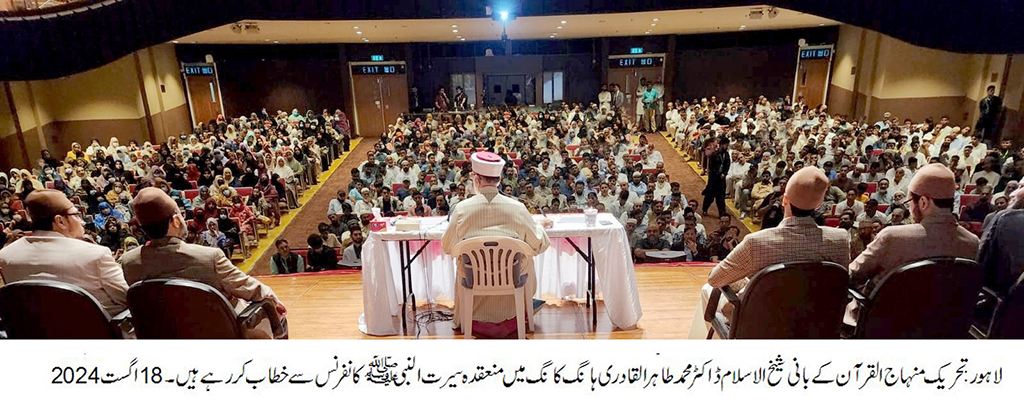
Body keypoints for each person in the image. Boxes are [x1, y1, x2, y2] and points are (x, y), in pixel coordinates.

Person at [689, 167, 851, 339]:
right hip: (816, 326)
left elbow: (716, 279)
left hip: (761, 327)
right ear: (819, 204)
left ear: (784, 200)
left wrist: (747, 282)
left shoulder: (756, 242)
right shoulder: (840, 239)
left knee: (708, 289)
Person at [119, 188, 286, 338]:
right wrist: (275, 302)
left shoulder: (129, 262)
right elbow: (253, 290)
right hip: (220, 337)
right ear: (176, 220)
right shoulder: (208, 257)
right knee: (277, 317)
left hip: (165, 338)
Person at [847, 164, 980, 323]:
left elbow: (853, 275)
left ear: (923, 202)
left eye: (909, 201)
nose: (909, 208)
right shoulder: (972, 242)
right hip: (939, 328)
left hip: (885, 325)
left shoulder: (893, 237)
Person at [440, 151, 552, 338]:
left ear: (476, 179)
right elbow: (537, 245)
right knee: (527, 259)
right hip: (511, 282)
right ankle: (522, 310)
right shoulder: (517, 208)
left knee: (463, 263)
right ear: (499, 179)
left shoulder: (461, 209)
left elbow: (447, 246)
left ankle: (465, 318)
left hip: (473, 280)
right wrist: (539, 226)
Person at [0, 190, 130, 316]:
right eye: (76, 214)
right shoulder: (96, 255)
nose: (82, 221)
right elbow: (128, 298)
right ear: (60, 221)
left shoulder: (5, 255)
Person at [702, 137, 730, 217]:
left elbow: (727, 165)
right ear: (721, 145)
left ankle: (722, 213)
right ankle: (705, 209)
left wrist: (724, 174)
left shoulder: (726, 155)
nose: (726, 146)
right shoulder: (714, 155)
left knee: (721, 197)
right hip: (713, 179)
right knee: (710, 196)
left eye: (727, 145)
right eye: (725, 145)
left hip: (721, 180)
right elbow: (712, 167)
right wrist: (718, 174)